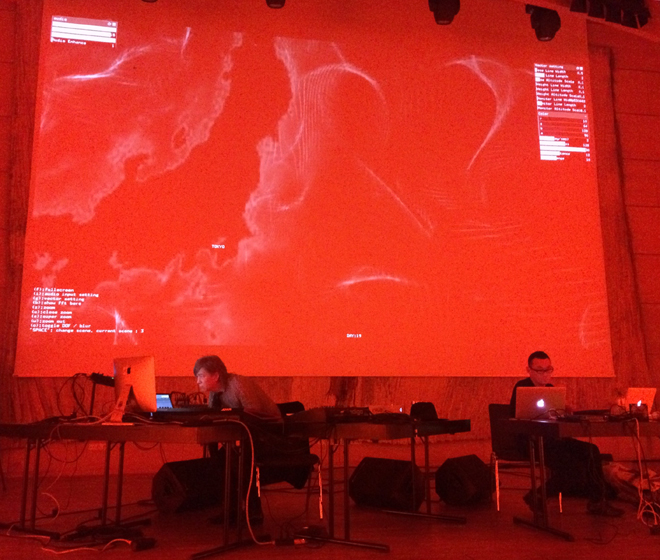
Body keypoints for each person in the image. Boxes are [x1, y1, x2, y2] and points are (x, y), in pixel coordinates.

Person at [510, 351, 623, 517]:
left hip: (553, 440)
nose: (544, 374)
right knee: (574, 469)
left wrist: (565, 411)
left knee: (591, 450)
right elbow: (516, 417)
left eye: (548, 370)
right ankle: (538, 495)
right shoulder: (522, 388)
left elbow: (555, 418)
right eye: (540, 370)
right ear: (529, 370)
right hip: (531, 442)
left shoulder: (551, 390)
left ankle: (598, 501)